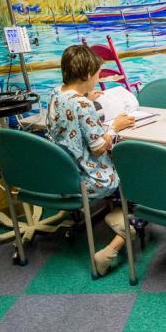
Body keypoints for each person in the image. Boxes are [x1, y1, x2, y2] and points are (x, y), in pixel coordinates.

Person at [47, 45, 136, 276]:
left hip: (64, 174)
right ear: (87, 75)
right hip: (91, 177)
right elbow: (98, 148)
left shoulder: (56, 94)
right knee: (136, 174)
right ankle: (121, 232)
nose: (98, 78)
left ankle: (115, 211)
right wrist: (115, 127)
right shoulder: (83, 106)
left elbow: (71, 121)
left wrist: (86, 97)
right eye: (97, 73)